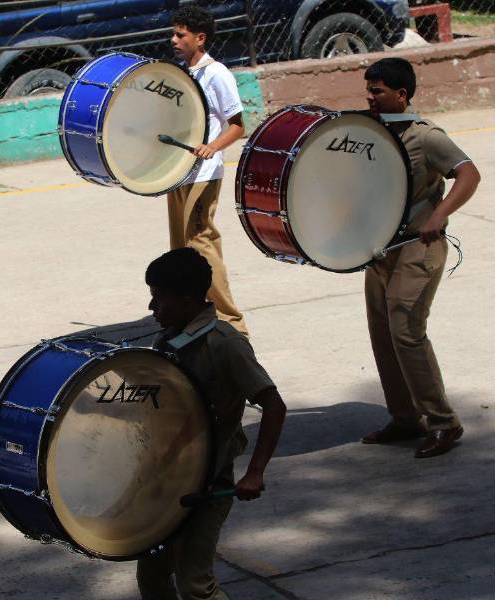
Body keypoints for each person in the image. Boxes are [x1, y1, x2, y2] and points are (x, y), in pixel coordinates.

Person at [138, 247, 286, 600]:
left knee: (195, 585)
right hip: (167, 481)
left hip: (207, 486)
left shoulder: (226, 345)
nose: (151, 307)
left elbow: (274, 407)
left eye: (159, 298)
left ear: (187, 301)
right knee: (153, 576)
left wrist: (255, 472)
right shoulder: (168, 339)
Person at [360, 58, 480, 458]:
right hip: (381, 250)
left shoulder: (426, 136)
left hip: (418, 248)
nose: (370, 97)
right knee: (383, 336)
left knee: (407, 333)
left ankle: (444, 422)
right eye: (368, 90)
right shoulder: (371, 133)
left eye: (377, 91)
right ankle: (406, 418)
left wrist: (439, 214)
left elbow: (469, 173)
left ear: (402, 95)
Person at [167, 6, 248, 337]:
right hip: (178, 172)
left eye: (180, 35)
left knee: (202, 244)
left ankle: (231, 322)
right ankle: (190, 315)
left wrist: (212, 146)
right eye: (173, 34)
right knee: (181, 248)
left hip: (203, 173)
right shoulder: (181, 74)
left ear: (200, 38)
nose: (173, 40)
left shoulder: (217, 74)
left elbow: (238, 125)